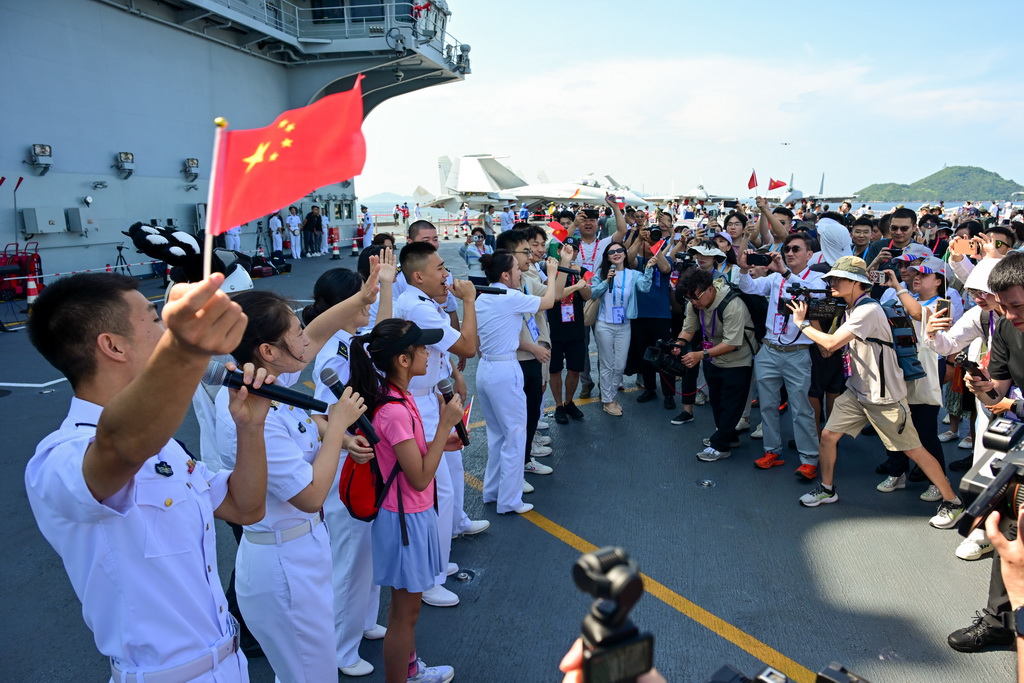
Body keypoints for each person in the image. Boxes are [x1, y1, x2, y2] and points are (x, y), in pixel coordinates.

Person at [25, 272, 268, 682]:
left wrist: (250, 427)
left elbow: (246, 507)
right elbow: (119, 447)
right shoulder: (60, 458)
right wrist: (187, 348)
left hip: (228, 662)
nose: (166, 328)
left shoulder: (164, 445)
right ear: (113, 346)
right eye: (157, 320)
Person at [223, 277, 376, 682]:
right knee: (312, 675)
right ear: (268, 351)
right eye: (294, 333)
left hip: (299, 550)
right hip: (283, 562)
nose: (305, 342)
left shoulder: (266, 384)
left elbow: (317, 332)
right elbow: (308, 495)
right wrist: (340, 422)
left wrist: (337, 437)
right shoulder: (250, 414)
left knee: (302, 671)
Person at [788, 256, 965, 527]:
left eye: (838, 279)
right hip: (858, 390)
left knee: (914, 449)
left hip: (882, 395)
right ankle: (827, 489)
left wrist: (802, 323)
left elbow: (832, 344)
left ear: (856, 284)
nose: (831, 282)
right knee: (828, 436)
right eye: (832, 278)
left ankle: (952, 501)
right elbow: (829, 349)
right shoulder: (852, 307)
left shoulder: (867, 311)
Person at [348, 319, 465, 683]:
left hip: (410, 514)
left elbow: (408, 460)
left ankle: (411, 668)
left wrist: (436, 443)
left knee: (407, 609)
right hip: (404, 519)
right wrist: (445, 425)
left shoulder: (398, 396)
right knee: (404, 614)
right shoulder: (395, 409)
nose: (430, 354)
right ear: (402, 359)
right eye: (421, 348)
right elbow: (418, 477)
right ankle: (403, 676)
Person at [307, 263, 395, 677]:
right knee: (349, 558)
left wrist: (387, 286)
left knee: (368, 550)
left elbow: (381, 327)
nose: (370, 298)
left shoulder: (352, 339)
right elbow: (322, 416)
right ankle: (341, 647)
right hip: (346, 462)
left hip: (366, 456)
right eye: (363, 293)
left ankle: (363, 620)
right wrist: (345, 441)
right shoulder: (333, 352)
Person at [394, 241, 484, 608]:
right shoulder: (417, 307)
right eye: (441, 268)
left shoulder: (424, 303)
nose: (447, 275)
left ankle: (437, 561)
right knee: (435, 493)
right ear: (418, 276)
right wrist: (468, 301)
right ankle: (427, 579)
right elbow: (466, 347)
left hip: (431, 397)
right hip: (419, 405)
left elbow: (445, 355)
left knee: (446, 485)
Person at [947, 252, 1024, 653]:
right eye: (1004, 307)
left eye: (1018, 306)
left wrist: (1012, 405)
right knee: (1008, 526)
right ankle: (999, 622)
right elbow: (999, 387)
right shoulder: (1008, 328)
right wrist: (986, 390)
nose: (1010, 315)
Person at [475, 248, 569, 514]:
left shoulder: (483, 298)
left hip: (486, 369)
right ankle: (510, 500)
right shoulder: (510, 296)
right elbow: (549, 302)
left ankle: (493, 492)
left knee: (497, 435)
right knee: (515, 435)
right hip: (505, 370)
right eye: (517, 268)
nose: (521, 272)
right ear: (505, 275)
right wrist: (552, 275)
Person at [737, 233, 823, 477]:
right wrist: (744, 270)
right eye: (787, 249)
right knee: (767, 406)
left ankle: (810, 459)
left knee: (801, 408)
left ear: (810, 254)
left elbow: (812, 294)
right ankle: (772, 451)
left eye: (796, 249)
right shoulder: (775, 278)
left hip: (798, 353)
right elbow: (749, 287)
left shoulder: (816, 278)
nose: (790, 253)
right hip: (770, 349)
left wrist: (784, 272)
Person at [674, 267, 755, 461]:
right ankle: (729, 437)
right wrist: (679, 343)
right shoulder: (694, 304)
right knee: (717, 401)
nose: (694, 302)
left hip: (738, 360)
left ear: (710, 289)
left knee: (730, 404)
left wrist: (701, 354)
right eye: (689, 298)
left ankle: (720, 446)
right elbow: (689, 329)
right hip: (712, 356)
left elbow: (732, 343)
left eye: (696, 297)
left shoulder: (732, 305)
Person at [589, 241, 655, 415]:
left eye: (619, 250)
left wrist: (648, 269)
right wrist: (606, 281)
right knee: (606, 364)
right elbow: (593, 293)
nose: (616, 253)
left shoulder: (633, 274)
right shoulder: (602, 273)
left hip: (624, 325)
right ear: (607, 257)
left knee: (619, 365)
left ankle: (610, 396)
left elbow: (645, 288)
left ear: (625, 254)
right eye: (612, 252)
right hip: (604, 324)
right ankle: (608, 400)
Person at [547, 238, 593, 424]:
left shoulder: (581, 271)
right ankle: (558, 404)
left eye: (574, 249)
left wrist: (581, 279)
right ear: (559, 250)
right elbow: (555, 298)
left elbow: (588, 295)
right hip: (555, 329)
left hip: (575, 329)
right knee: (555, 369)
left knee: (574, 369)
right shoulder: (551, 270)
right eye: (566, 248)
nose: (570, 252)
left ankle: (568, 402)